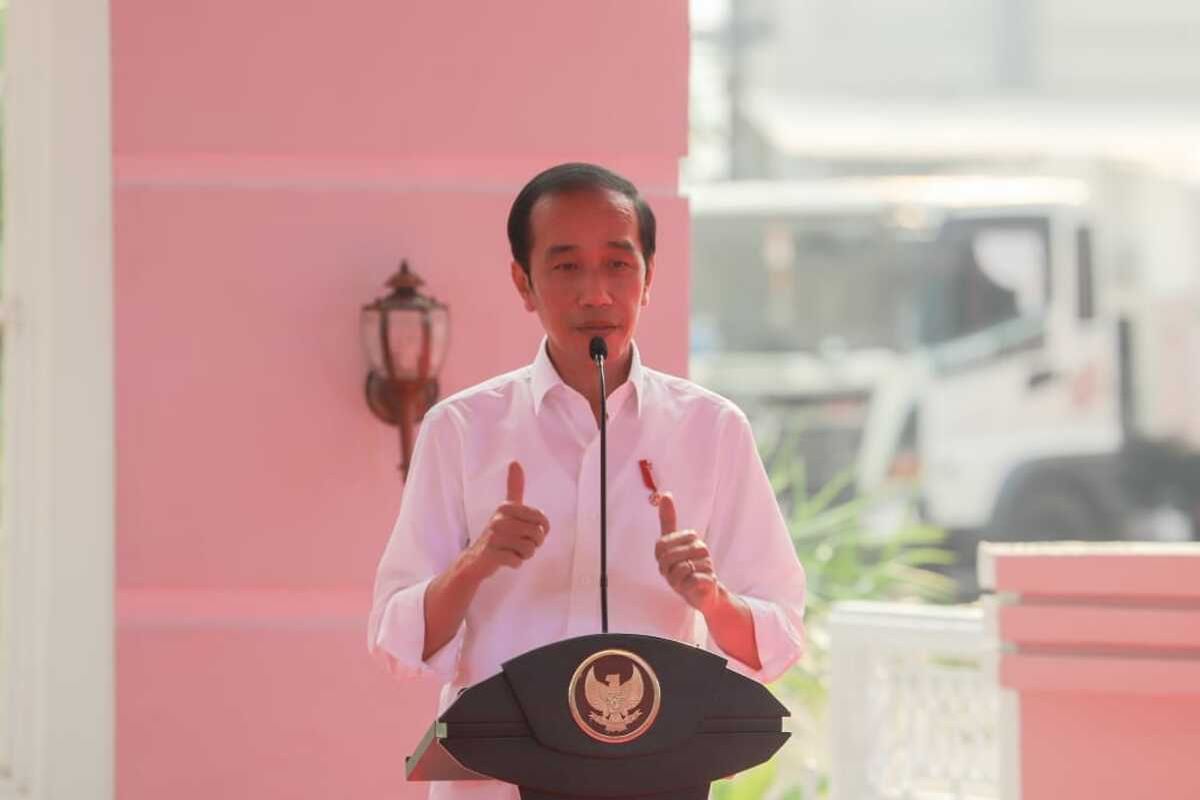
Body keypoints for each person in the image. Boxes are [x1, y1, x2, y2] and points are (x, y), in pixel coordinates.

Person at [368, 163, 806, 800]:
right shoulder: (461, 429)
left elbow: (780, 639)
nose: (595, 293)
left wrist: (710, 599)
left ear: (649, 278)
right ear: (524, 282)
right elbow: (396, 641)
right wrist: (476, 563)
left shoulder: (712, 430)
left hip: (660, 776)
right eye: (567, 266)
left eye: (618, 265)